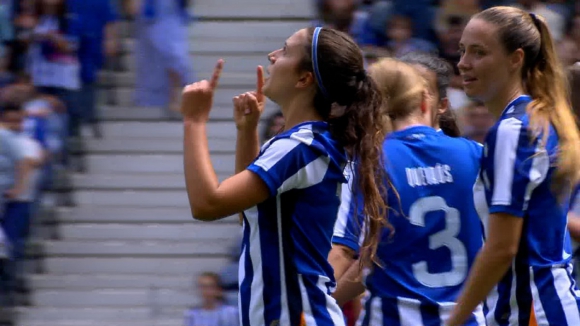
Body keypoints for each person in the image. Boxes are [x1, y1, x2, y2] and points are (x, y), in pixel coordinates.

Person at [180, 26, 389, 325]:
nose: (272, 55)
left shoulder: (300, 146)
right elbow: (251, 215)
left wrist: (194, 121)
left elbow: (207, 205)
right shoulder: (304, 142)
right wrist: (247, 132)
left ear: (304, 79)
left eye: (286, 51)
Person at [448, 6, 580, 325]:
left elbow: (502, 249)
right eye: (463, 51)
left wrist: (455, 320)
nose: (463, 63)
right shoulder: (537, 120)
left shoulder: (514, 131)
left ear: (515, 59)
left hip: (533, 312)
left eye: (479, 53)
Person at [330, 58, 485, 325]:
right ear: (426, 102)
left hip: (391, 316)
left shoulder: (370, 163)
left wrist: (320, 305)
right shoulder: (475, 154)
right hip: (466, 316)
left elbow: (350, 252)